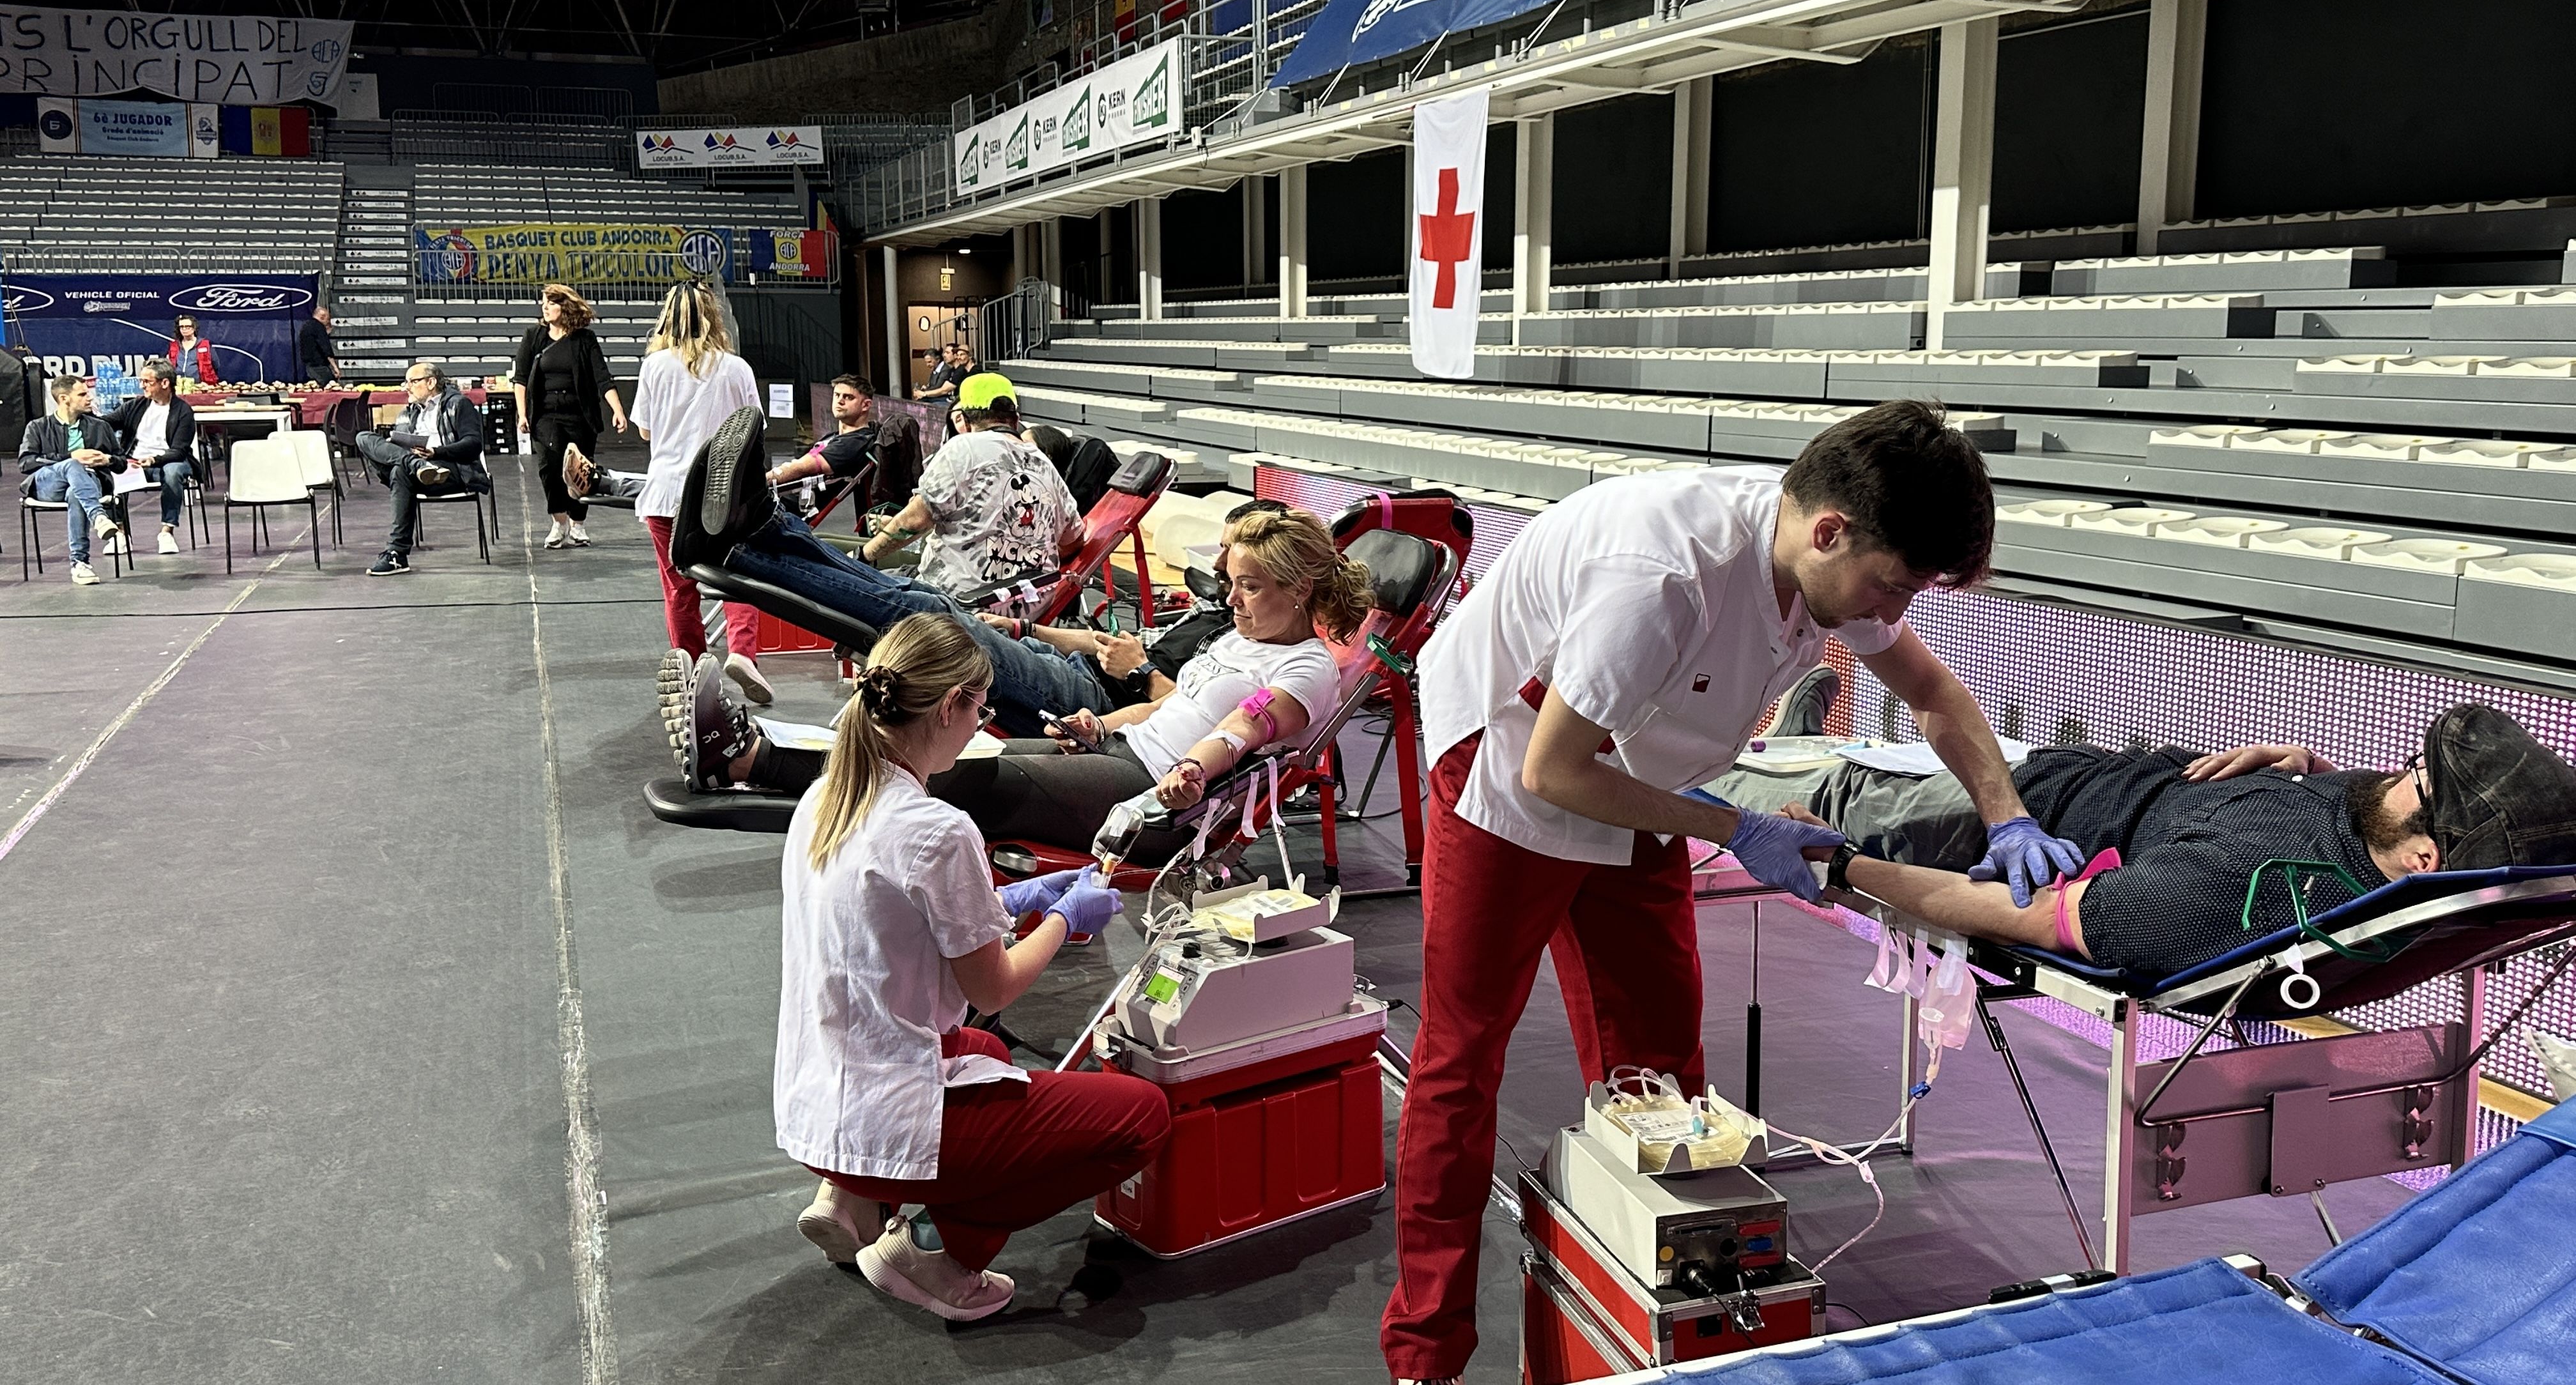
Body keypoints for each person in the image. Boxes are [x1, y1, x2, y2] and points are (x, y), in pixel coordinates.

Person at [1381, 401, 2085, 1385]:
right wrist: (1739, 828)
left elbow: (1933, 693)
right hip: (1505, 761)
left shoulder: (1826, 554)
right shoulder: (1664, 578)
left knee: (1663, 1069)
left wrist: (2005, 813)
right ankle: (1426, 1355)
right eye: (1892, 587)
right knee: (1464, 1056)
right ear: (1830, 532)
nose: (1895, 613)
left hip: (1629, 759)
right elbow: (1555, 774)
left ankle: (1665, 1328)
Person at [774, 611, 1169, 1321]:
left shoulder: (828, 797)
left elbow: (894, 917)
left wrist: (1012, 897)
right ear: (951, 704)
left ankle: (854, 1197)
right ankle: (935, 1252)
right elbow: (993, 985)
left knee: (983, 1048)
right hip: (880, 1119)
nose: (982, 725)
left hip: (815, 1096)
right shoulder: (938, 828)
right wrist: (1063, 917)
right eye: (980, 709)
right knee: (1141, 1117)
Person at [1714, 702, 2575, 977]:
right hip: (2074, 775)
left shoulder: (2251, 894)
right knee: (1855, 763)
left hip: (2002, 816)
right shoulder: (2374, 846)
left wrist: (1843, 866)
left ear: (2427, 861)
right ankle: (1790, 734)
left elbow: (2019, 912)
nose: (2394, 770)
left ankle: (1666, 766)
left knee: (1831, 793)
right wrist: (2311, 768)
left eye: (2414, 781)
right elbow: (2373, 842)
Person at [673, 498, 1292, 794]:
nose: (1223, 575)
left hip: (1092, 701)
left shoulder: (1274, 655)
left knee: (924, 618)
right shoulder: (1226, 621)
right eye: (1227, 563)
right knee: (930, 601)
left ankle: (747, 553)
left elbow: (1192, 712)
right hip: (1082, 676)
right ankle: (766, 531)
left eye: (1242, 574)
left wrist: (1135, 679)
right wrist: (1028, 631)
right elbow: (1110, 642)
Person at [630, 282, 770, 701]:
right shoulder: (736, 367)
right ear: (714, 317)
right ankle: (743, 652)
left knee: (679, 590)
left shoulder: (654, 366)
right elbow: (754, 430)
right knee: (741, 576)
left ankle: (695, 678)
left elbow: (645, 430)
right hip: (724, 497)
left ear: (667, 318)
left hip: (667, 495)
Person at [859, 372, 1083, 600]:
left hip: (954, 604)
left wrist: (863, 556)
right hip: (1031, 601)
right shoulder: (1045, 463)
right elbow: (1073, 541)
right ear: (1016, 419)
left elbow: (913, 522)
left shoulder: (962, 448)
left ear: (966, 421)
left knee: (853, 589)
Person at [512, 283, 629, 550]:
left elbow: (603, 377)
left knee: (579, 471)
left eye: (552, 303)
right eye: (543, 302)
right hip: (545, 415)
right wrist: (523, 413)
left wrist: (618, 410)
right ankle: (559, 522)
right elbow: (520, 379)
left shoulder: (584, 339)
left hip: (579, 414)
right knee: (549, 469)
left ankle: (578, 524)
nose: (545, 307)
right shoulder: (534, 336)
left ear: (566, 307)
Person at [357, 362, 489, 576]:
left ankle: (397, 554)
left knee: (400, 471)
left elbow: (474, 445)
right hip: (419, 470)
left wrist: (436, 453)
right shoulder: (409, 412)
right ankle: (416, 465)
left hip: (451, 471)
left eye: (412, 381)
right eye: (406, 382)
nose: (406, 387)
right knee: (363, 438)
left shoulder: (459, 404)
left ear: (431, 382)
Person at [17, 374, 126, 585]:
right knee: (73, 465)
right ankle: (99, 517)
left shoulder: (100, 427)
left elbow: (121, 464)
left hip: (88, 484)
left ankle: (80, 563)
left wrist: (107, 459)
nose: (90, 398)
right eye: (83, 394)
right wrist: (70, 458)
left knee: (75, 492)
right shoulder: (38, 427)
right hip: (49, 484)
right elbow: (26, 463)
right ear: (64, 399)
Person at [100, 357, 197, 555]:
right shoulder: (136, 406)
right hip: (135, 461)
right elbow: (107, 423)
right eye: (141, 381)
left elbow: (179, 450)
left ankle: (167, 531)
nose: (142, 386)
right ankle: (120, 534)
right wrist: (85, 416)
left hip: (168, 461)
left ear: (165, 383)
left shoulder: (183, 411)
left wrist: (153, 460)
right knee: (113, 471)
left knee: (173, 472)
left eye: (147, 382)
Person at [763, 373, 876, 506]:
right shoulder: (835, 437)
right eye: (837, 395)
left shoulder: (855, 443)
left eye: (848, 397)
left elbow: (801, 467)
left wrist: (759, 484)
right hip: (780, 500)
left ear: (866, 405)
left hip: (786, 510)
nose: (840, 401)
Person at [168, 314, 218, 386]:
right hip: (178, 386)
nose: (184, 329)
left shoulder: (205, 345)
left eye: (187, 327)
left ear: (194, 328)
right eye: (182, 327)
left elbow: (216, 365)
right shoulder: (174, 345)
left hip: (200, 386)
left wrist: (207, 382)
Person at [298, 306, 341, 386]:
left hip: (309, 366)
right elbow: (326, 348)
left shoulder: (305, 327)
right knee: (331, 386)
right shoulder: (319, 327)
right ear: (322, 317)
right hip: (320, 365)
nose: (328, 322)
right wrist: (335, 367)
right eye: (328, 320)